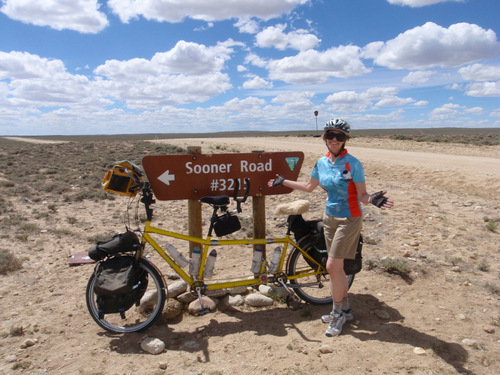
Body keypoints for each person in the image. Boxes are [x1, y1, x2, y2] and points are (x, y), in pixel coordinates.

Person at [268, 118, 393, 337]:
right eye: (330, 135)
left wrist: (373, 199)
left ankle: (337, 314)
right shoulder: (322, 162)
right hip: (329, 218)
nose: (334, 140)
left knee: (333, 266)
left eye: (340, 136)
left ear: (346, 140)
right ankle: (345, 310)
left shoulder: (353, 163)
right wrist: (284, 181)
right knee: (337, 269)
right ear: (324, 138)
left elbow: (362, 195)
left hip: (349, 219)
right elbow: (309, 187)